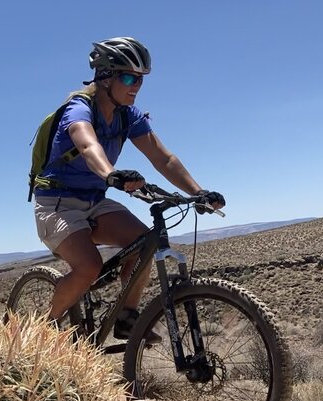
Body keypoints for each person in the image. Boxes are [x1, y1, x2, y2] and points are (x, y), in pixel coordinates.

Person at [33, 37, 225, 339]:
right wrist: (112, 175)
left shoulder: (128, 114)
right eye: (128, 77)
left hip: (95, 200)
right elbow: (86, 143)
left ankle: (127, 318)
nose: (136, 85)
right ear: (105, 76)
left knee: (144, 243)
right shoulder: (79, 109)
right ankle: (44, 327)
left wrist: (197, 192)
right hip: (57, 202)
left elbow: (163, 158)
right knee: (88, 268)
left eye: (140, 79)